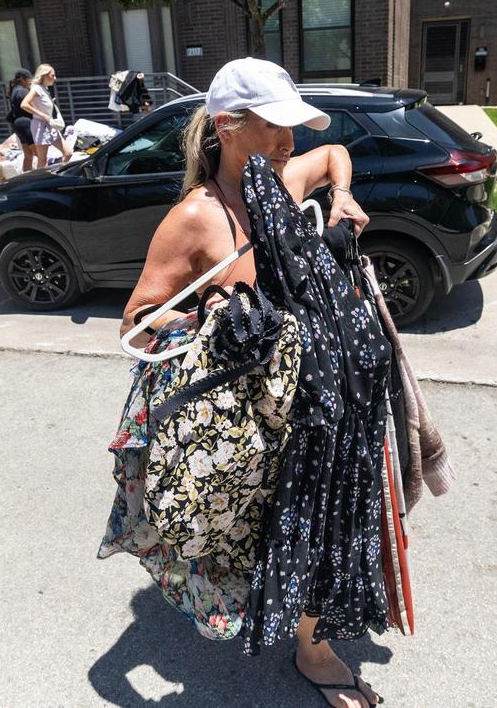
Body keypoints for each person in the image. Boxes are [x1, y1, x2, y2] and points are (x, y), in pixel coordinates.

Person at [117, 58, 379, 708]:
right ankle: (311, 649)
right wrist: (218, 316)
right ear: (229, 127)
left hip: (311, 401)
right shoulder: (196, 218)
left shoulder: (280, 180)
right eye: (276, 126)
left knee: (321, 529)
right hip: (254, 421)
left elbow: (334, 153)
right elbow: (136, 322)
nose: (291, 140)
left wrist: (341, 193)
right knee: (291, 533)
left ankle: (308, 637)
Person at [20, 63, 73, 169]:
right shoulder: (37, 88)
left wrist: (50, 104)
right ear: (44, 75)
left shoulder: (45, 89)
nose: (55, 78)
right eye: (52, 75)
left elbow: (41, 104)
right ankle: (42, 182)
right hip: (40, 126)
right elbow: (24, 104)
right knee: (43, 159)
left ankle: (58, 175)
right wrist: (42, 114)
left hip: (50, 125)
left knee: (68, 153)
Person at [7, 68, 37, 172]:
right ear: (23, 79)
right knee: (39, 154)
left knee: (28, 155)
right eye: (29, 80)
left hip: (18, 125)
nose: (30, 82)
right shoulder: (23, 91)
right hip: (26, 124)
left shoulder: (15, 90)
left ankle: (25, 177)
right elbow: (31, 105)